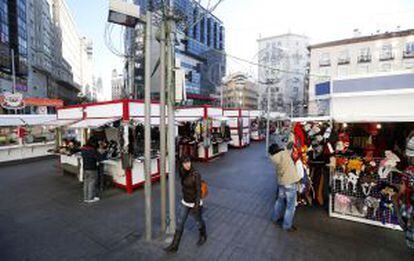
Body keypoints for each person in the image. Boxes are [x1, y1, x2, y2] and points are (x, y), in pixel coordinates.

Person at [165, 157, 207, 253]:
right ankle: (174, 246)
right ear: (182, 164)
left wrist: (196, 206)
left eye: (188, 162)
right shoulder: (182, 173)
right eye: (185, 163)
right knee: (180, 223)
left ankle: (203, 236)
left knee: (198, 221)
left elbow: (198, 191)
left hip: (195, 203)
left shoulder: (196, 174)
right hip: (185, 202)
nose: (187, 164)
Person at [269, 143, 302, 232]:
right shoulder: (284, 153)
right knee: (290, 206)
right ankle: (287, 225)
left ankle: (275, 218)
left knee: (279, 201)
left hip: (282, 183)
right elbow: (289, 146)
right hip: (290, 182)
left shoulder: (273, 158)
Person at [81, 138, 100, 203]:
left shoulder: (83, 148)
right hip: (92, 168)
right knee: (92, 183)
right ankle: (90, 198)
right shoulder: (92, 150)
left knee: (86, 183)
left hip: (85, 168)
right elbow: (98, 158)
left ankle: (85, 198)